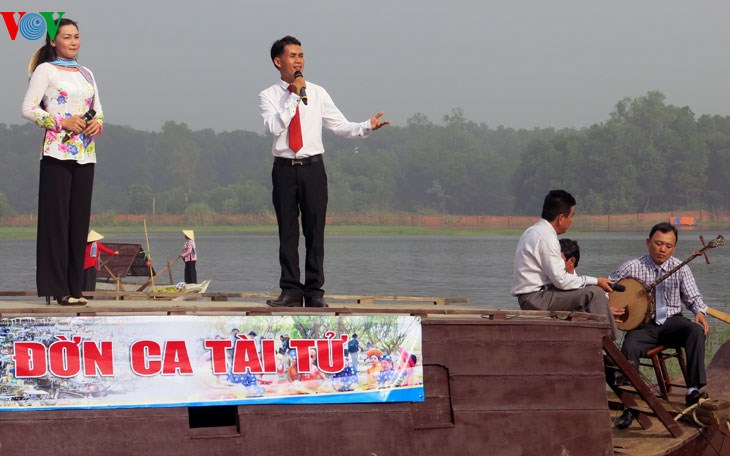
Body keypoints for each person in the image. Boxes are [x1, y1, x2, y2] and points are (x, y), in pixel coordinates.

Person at [258, 35, 389, 308]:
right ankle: (290, 291)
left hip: (313, 169)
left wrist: (366, 126)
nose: (298, 61)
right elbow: (274, 127)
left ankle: (314, 291)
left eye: (301, 55)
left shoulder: (317, 93)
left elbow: (340, 125)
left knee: (315, 231)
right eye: (292, 56)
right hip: (284, 170)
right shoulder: (268, 96)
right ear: (278, 61)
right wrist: (294, 98)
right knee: (288, 232)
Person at [21, 18, 104, 306]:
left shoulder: (86, 73)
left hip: (85, 154)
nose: (73, 42)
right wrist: (61, 122)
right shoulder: (45, 70)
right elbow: (28, 108)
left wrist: (96, 125)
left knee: (79, 222)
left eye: (76, 36)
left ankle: (75, 288)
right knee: (56, 222)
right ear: (53, 41)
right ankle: (57, 288)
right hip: (56, 152)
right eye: (67, 37)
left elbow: (99, 111)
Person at [610, 222, 710, 429]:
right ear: (648, 242)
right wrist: (611, 307)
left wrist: (699, 312)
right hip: (643, 326)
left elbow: (693, 297)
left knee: (695, 331)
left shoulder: (681, 268)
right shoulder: (632, 267)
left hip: (672, 322)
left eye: (668, 245)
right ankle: (629, 406)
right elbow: (608, 288)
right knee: (629, 347)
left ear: (674, 247)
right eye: (658, 243)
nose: (662, 249)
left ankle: (692, 390)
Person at [511, 190, 620, 339]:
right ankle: (609, 342)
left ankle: (588, 342)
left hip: (535, 296)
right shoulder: (547, 237)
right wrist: (596, 281)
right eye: (571, 216)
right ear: (561, 218)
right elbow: (561, 280)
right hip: (536, 298)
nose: (571, 221)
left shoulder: (533, 231)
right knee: (595, 293)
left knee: (586, 295)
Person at [82, 230, 118, 296]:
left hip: (84, 266)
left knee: (85, 281)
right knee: (90, 281)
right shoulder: (96, 244)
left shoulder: (85, 245)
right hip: (92, 265)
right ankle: (89, 296)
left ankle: (84, 294)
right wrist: (114, 252)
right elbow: (105, 250)